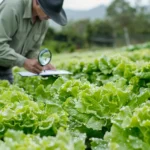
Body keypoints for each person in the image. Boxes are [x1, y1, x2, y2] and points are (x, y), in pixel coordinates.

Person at [0, 0, 67, 83]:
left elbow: (33, 50)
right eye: (48, 12)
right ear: (36, 2)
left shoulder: (43, 21)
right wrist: (24, 62)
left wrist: (41, 65)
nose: (50, 17)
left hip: (5, 67)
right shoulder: (12, 7)